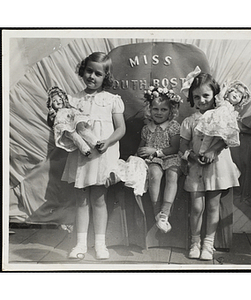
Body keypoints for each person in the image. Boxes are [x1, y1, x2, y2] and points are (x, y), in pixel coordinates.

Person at [47, 52, 126, 259]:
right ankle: (80, 244)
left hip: (102, 155)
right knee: (81, 200)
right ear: (83, 71)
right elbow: (63, 123)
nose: (92, 76)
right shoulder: (73, 99)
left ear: (105, 77)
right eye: (89, 71)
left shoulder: (112, 100)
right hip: (81, 157)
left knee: (99, 199)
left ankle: (100, 244)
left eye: (98, 73)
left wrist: (107, 142)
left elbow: (121, 129)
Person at [179, 68, 240, 260]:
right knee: (197, 207)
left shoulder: (221, 115)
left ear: (214, 94)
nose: (201, 100)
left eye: (206, 95)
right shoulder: (190, 121)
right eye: (196, 97)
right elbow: (183, 146)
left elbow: (227, 137)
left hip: (216, 166)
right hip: (197, 167)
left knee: (214, 206)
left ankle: (208, 244)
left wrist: (214, 151)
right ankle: (195, 242)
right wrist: (192, 157)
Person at [137, 86, 182, 233]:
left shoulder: (173, 126)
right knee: (154, 174)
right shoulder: (146, 128)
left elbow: (175, 148)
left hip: (170, 157)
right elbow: (141, 147)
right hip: (154, 160)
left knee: (172, 174)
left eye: (164, 110)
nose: (159, 113)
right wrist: (141, 152)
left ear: (171, 111)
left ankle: (165, 212)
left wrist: (155, 152)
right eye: (155, 109)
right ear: (149, 109)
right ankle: (157, 211)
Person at [194, 78, 251, 160]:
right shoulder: (223, 103)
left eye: (239, 96)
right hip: (215, 122)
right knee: (208, 137)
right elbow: (220, 97)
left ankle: (210, 155)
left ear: (240, 102)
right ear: (229, 92)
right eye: (235, 92)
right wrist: (225, 88)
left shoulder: (233, 111)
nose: (236, 95)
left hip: (223, 127)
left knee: (218, 140)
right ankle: (202, 152)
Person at [47, 86, 102, 158]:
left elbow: (76, 112)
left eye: (60, 99)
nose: (58, 102)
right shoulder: (56, 113)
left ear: (63, 99)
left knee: (81, 130)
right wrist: (51, 116)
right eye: (54, 101)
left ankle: (96, 142)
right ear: (51, 104)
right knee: (74, 136)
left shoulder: (69, 108)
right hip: (65, 126)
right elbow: (51, 123)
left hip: (74, 120)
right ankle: (85, 150)